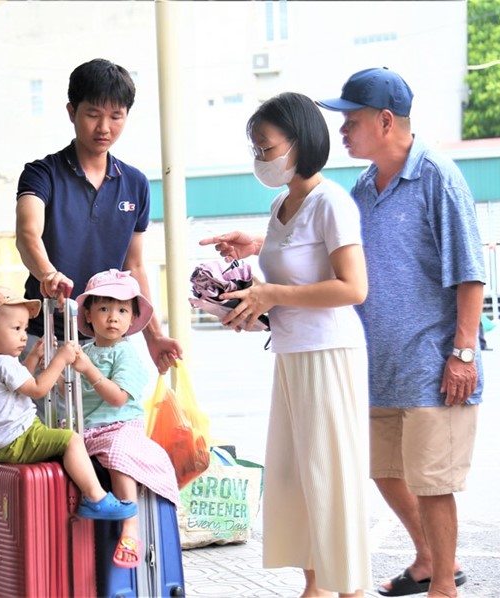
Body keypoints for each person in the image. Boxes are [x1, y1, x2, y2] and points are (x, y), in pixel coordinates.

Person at [317, 67, 485, 598]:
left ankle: (443, 585)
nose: (342, 129)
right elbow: (334, 253)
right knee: (385, 471)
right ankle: (428, 558)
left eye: (351, 119)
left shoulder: (438, 176)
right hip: (377, 364)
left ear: (386, 121)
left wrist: (462, 352)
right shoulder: (364, 187)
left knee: (434, 485)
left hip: (434, 365)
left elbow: (470, 271)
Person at [200, 92, 371, 597]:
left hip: (328, 355)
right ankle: (314, 585)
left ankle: (351, 589)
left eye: (267, 147)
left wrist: (271, 293)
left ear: (300, 143)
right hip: (292, 354)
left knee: (331, 475)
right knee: (298, 477)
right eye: (256, 148)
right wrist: (249, 284)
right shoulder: (283, 203)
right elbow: (292, 264)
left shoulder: (332, 202)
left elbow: (353, 287)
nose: (261, 159)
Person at [15, 58, 181, 375]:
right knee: (43, 425)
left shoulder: (135, 184)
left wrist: (154, 337)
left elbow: (133, 266)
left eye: (116, 116)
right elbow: (27, 235)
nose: (104, 127)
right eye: (93, 114)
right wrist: (49, 274)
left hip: (108, 342)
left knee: (109, 424)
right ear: (71, 112)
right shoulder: (41, 174)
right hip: (44, 336)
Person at [0, 281, 138, 523]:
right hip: (15, 441)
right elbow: (36, 389)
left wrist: (34, 357)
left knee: (59, 436)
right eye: (16, 329)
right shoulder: (2, 363)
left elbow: (20, 385)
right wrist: (61, 359)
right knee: (71, 440)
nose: (24, 336)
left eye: (25, 329)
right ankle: (95, 498)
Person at [73, 269, 180, 569]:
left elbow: (118, 397)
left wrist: (88, 371)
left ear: (133, 319)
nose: (112, 317)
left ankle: (130, 527)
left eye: (122, 310)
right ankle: (87, 507)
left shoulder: (127, 355)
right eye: (104, 308)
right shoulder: (85, 351)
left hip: (121, 427)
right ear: (89, 314)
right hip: (89, 430)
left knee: (119, 458)